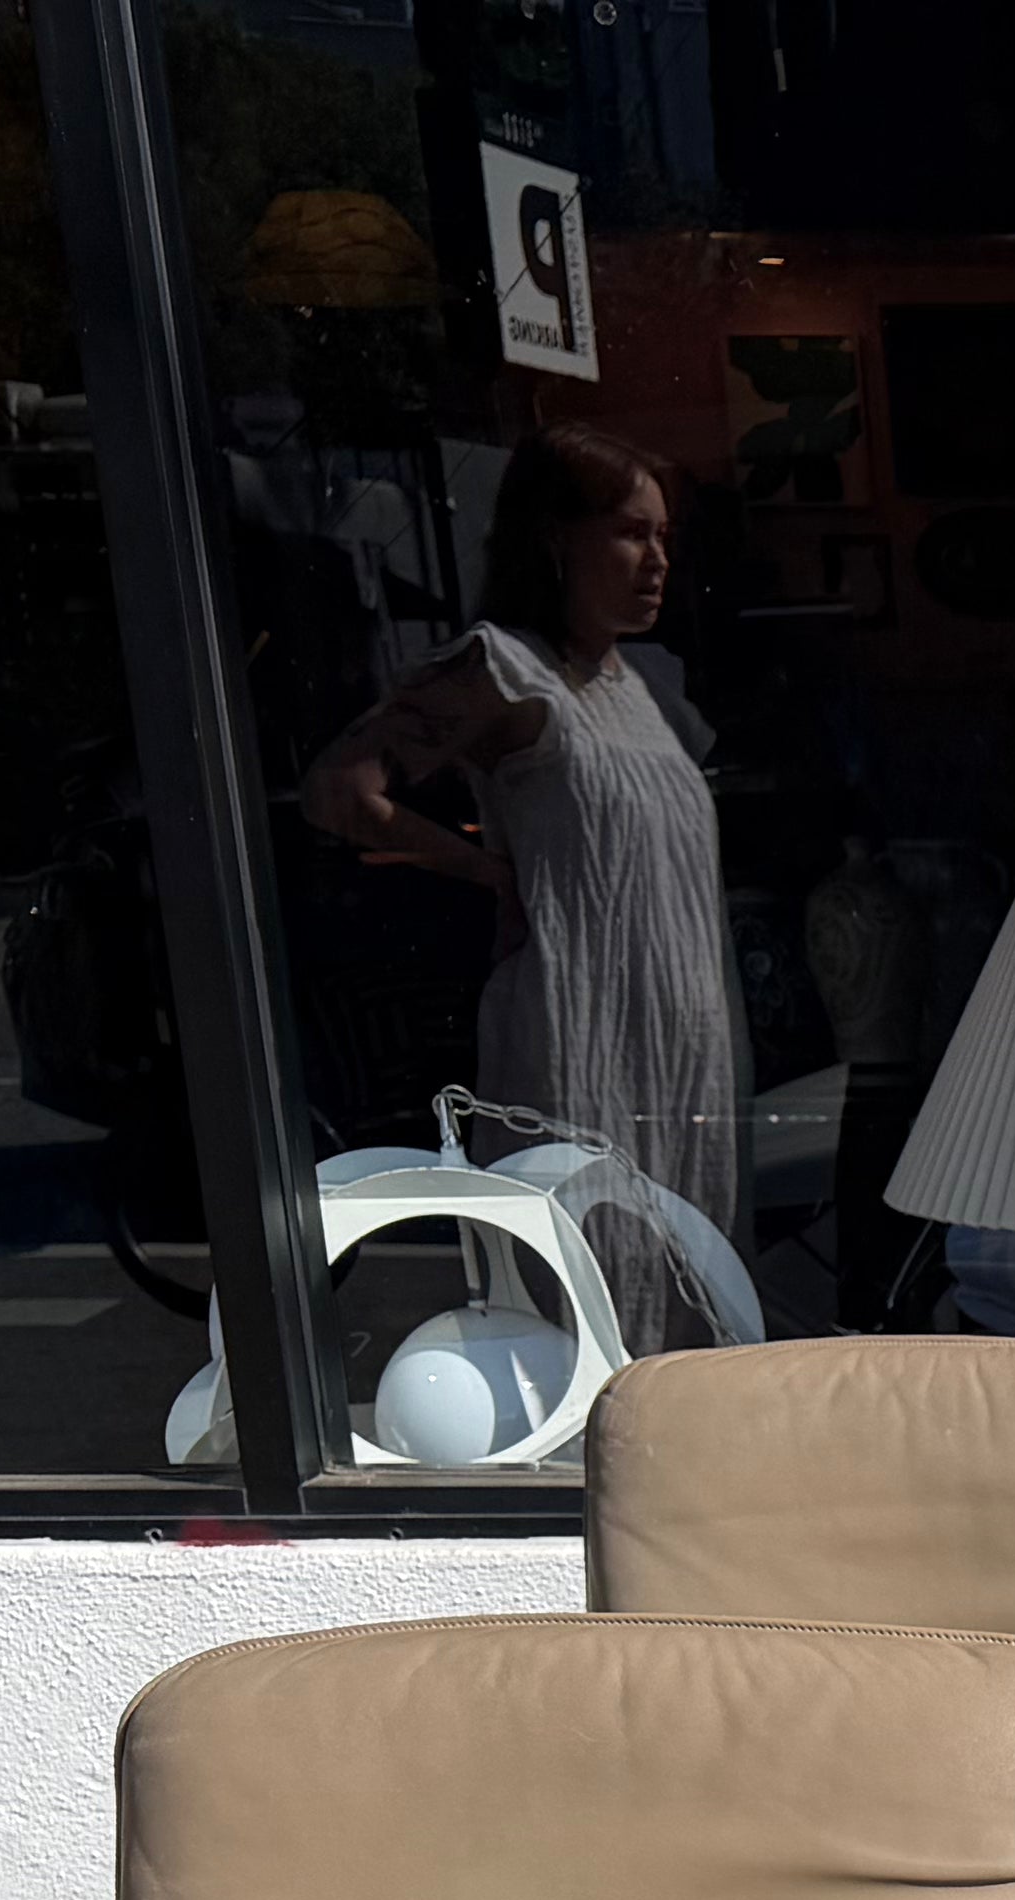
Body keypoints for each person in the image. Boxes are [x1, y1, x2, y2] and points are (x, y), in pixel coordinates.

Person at [301, 423, 747, 1342]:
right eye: (631, 533)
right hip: (579, 1038)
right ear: (556, 539)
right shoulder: (501, 669)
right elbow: (341, 793)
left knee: (684, 1291)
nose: (656, 559)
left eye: (664, 536)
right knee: (588, 1295)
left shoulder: (639, 681)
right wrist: (484, 870)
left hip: (681, 1050)